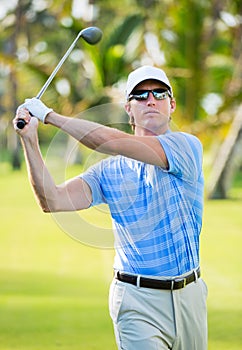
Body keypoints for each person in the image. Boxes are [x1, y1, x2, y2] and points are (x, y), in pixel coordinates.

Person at [13, 65, 208, 350]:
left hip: (190, 296)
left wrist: (49, 116)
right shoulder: (107, 172)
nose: (150, 99)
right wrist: (30, 140)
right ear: (129, 109)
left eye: (159, 93)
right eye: (140, 96)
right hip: (136, 301)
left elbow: (108, 141)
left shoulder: (186, 147)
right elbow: (52, 200)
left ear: (172, 104)